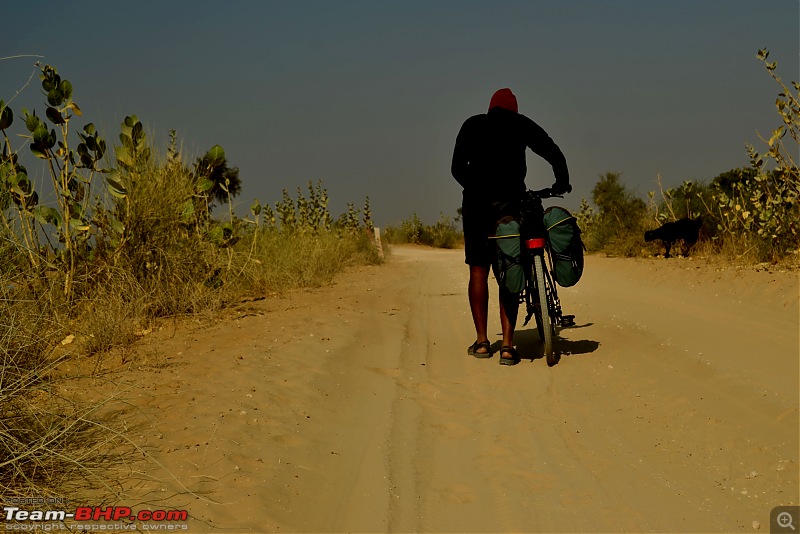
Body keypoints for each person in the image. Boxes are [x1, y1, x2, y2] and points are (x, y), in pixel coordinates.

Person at [451, 88, 571, 365]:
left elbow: (457, 168)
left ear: (490, 108)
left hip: (476, 208)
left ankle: (482, 343)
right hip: (511, 205)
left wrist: (478, 188)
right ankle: (507, 346)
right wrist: (561, 181)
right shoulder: (521, 124)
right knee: (510, 265)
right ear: (513, 109)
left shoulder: (472, 124)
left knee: (478, 270)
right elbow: (552, 151)